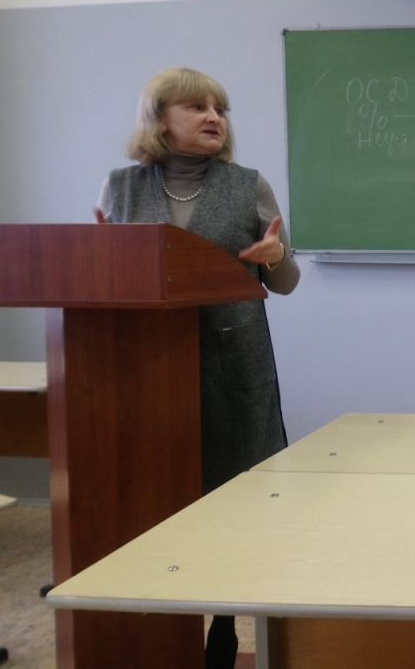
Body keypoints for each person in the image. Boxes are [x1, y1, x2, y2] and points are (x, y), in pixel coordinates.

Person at [95, 67, 300, 669]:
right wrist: (99, 255)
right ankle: (159, 618)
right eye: (197, 107)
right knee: (160, 492)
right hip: (148, 369)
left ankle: (226, 620)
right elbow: (106, 275)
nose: (214, 117)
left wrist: (275, 256)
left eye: (220, 109)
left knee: (238, 496)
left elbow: (286, 282)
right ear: (159, 119)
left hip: (233, 362)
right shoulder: (121, 187)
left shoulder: (248, 185)